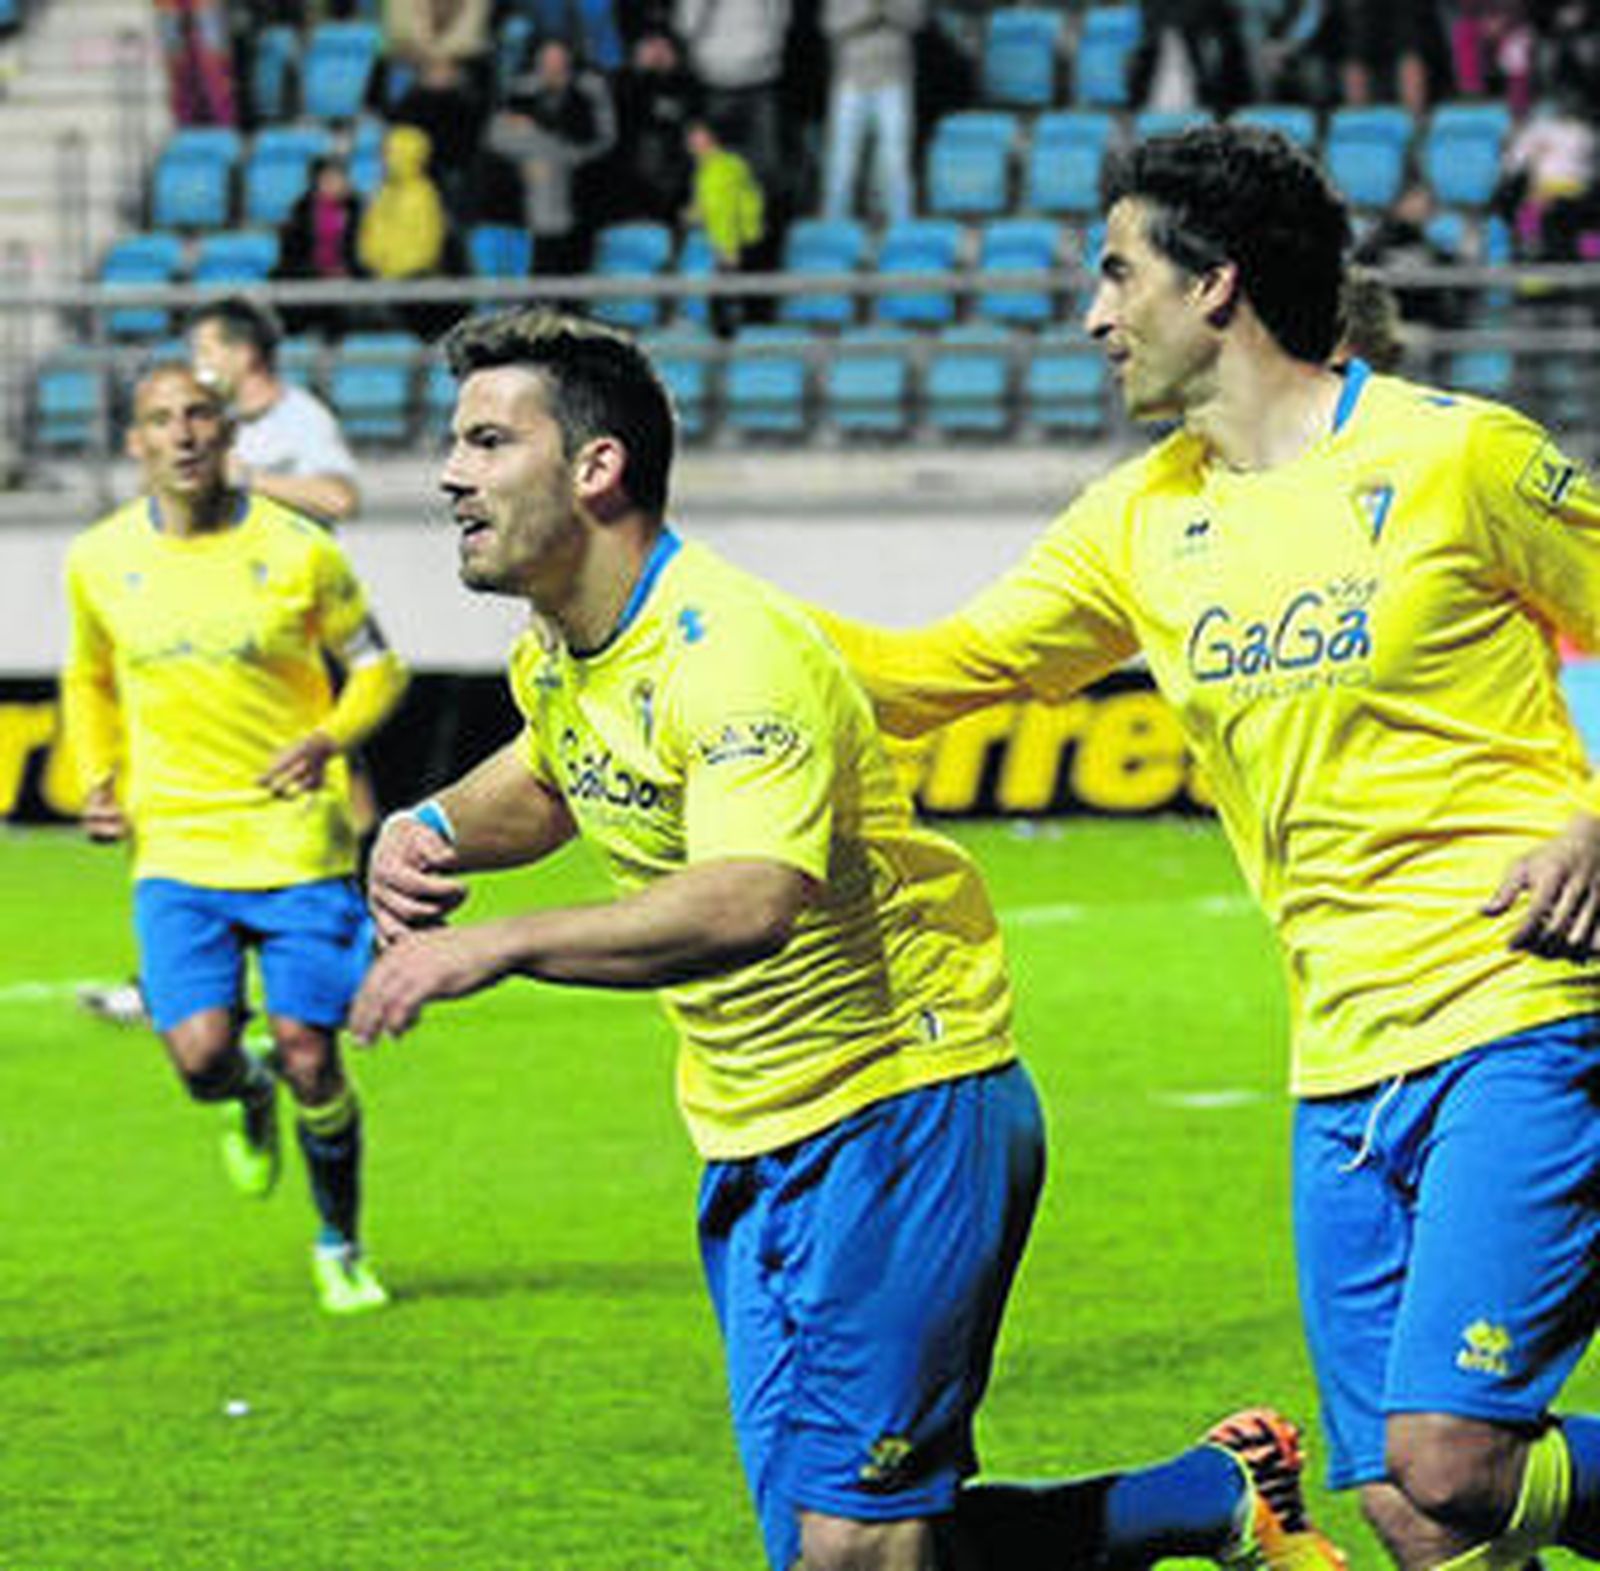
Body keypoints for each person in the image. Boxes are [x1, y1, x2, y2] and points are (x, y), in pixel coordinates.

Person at [345, 306, 1346, 1571]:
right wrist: (430, 821)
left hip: (900, 1110)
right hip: (752, 1138)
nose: (449, 472)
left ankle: (1207, 1502)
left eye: (487, 440)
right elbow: (557, 773)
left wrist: (497, 944)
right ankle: (1205, 1499)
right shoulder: (564, 648)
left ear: (595, 466)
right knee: (853, 1544)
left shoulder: (735, 649)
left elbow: (748, 897)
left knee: (852, 1550)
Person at [803, 121, 1600, 1571]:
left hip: (1525, 1011)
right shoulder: (1138, 518)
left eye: (1117, 275)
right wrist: (684, 614)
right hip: (1340, 1058)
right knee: (1416, 1512)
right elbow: (942, 668)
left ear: (1215, 284)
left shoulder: (1456, 456)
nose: (1095, 314)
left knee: (1455, 1453)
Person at [60, 363, 409, 1313]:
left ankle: (340, 1242)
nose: (181, 434)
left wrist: (328, 737)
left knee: (311, 1052)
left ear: (227, 434)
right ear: (135, 442)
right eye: (160, 420)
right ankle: (245, 1097)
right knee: (204, 1057)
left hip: (297, 841)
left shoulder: (299, 551)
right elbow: (88, 679)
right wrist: (98, 776)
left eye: (198, 415)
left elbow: (379, 667)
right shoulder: (99, 560)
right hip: (175, 848)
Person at [187, 295, 361, 527]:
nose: (197, 365)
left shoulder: (302, 416)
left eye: (205, 352)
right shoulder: (211, 418)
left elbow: (341, 500)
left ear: (244, 354)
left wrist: (246, 478)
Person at [819, 0, 924, 226]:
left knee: (896, 161)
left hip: (894, 80)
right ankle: (832, 227)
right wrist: (869, 12)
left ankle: (902, 226)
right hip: (850, 81)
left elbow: (916, 20)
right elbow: (830, 25)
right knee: (842, 162)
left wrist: (887, 8)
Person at [685, 114, 766, 337]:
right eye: (691, 139)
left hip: (731, 242)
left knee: (730, 293)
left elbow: (745, 202)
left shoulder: (730, 165)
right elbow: (706, 204)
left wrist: (739, 240)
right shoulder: (703, 168)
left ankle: (733, 330)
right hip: (712, 242)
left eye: (697, 138)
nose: (692, 144)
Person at [275, 155, 366, 340]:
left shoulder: (358, 209)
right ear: (317, 183)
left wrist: (349, 271)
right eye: (330, 179)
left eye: (342, 178)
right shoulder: (300, 211)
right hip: (309, 275)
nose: (339, 183)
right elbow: (291, 254)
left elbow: (361, 251)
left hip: (349, 277)